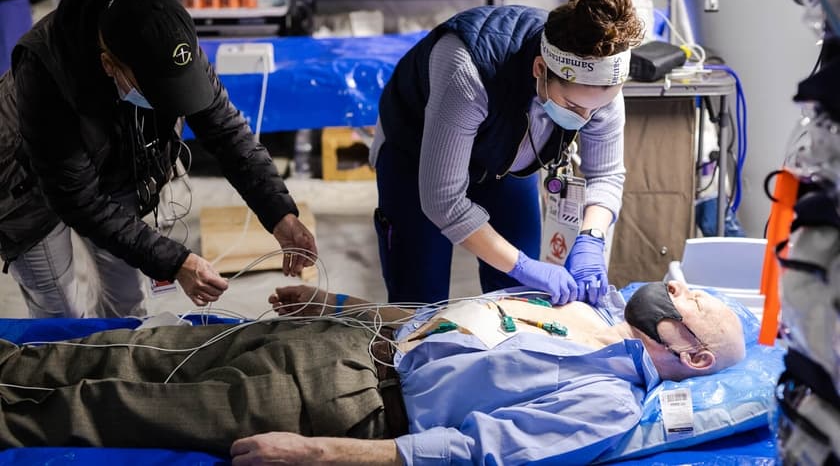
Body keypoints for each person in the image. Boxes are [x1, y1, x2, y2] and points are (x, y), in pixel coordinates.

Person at [0, 280, 746, 465]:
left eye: (696, 301)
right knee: (122, 352)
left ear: (694, 355)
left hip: (347, 398)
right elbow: (450, 321)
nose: (678, 288)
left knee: (108, 405)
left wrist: (321, 452)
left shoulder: (608, 406)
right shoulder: (589, 311)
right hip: (345, 340)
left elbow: (471, 453)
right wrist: (345, 303)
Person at [0, 0, 317, 318]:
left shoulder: (170, 37)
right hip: (26, 182)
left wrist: (280, 214)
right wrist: (175, 260)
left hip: (117, 161)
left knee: (127, 304)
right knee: (60, 314)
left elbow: (228, 133)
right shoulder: (43, 68)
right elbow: (76, 198)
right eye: (158, 93)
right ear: (109, 65)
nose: (169, 104)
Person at [370, 0, 644, 306]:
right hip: (415, 156)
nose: (586, 118)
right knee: (419, 300)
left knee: (518, 295)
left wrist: (592, 238)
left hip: (506, 159)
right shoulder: (468, 71)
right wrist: (525, 266)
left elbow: (606, 175)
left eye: (596, 108)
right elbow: (443, 201)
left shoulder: (600, 82)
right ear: (540, 69)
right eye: (572, 106)